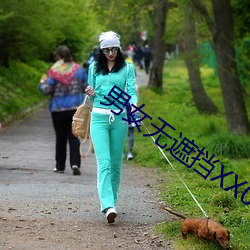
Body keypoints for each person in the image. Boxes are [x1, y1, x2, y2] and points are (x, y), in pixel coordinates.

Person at [85, 31, 138, 223]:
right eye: (106, 50)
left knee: (116, 163)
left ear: (119, 48)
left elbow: (131, 92)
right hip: (98, 118)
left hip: (120, 118)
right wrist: (90, 92)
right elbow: (91, 97)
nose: (110, 53)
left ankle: (112, 201)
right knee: (104, 162)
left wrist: (133, 105)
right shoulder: (93, 68)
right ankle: (107, 205)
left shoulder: (127, 68)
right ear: (101, 50)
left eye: (114, 49)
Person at [39, 45, 88, 175]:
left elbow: (47, 90)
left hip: (58, 109)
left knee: (60, 138)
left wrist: (42, 83)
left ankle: (60, 166)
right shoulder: (79, 70)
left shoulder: (54, 71)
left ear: (58, 57)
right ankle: (75, 163)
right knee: (74, 137)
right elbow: (86, 87)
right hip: (75, 109)